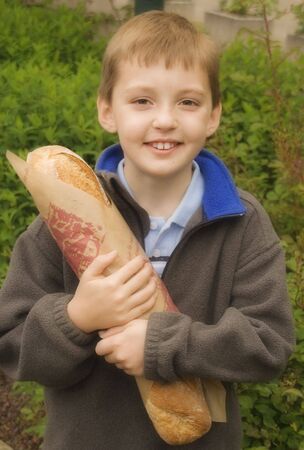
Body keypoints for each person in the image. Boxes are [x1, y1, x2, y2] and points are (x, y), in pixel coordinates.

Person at [0, 10, 295, 450]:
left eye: (188, 102)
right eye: (142, 101)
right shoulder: (60, 220)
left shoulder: (241, 222)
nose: (165, 120)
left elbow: (268, 344)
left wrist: (162, 346)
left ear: (213, 116)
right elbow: (11, 345)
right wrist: (77, 318)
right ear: (107, 110)